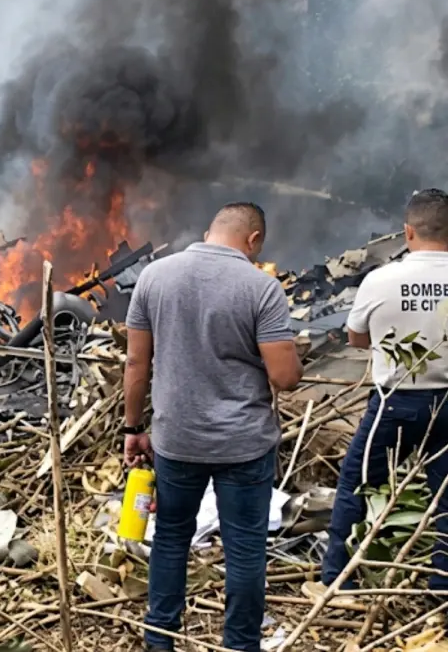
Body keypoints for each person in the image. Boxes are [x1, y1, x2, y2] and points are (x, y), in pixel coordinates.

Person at [123, 202, 302, 652]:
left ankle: (160, 638)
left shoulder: (154, 277)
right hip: (244, 446)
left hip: (175, 440)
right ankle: (240, 645)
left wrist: (132, 428)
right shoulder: (261, 288)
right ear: (254, 240)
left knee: (170, 540)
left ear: (209, 232)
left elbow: (135, 363)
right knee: (245, 549)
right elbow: (285, 377)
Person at [315, 188, 448, 599]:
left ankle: (339, 579)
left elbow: (357, 338)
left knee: (356, 486)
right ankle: (441, 585)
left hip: (394, 403)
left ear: (408, 231)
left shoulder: (381, 280)